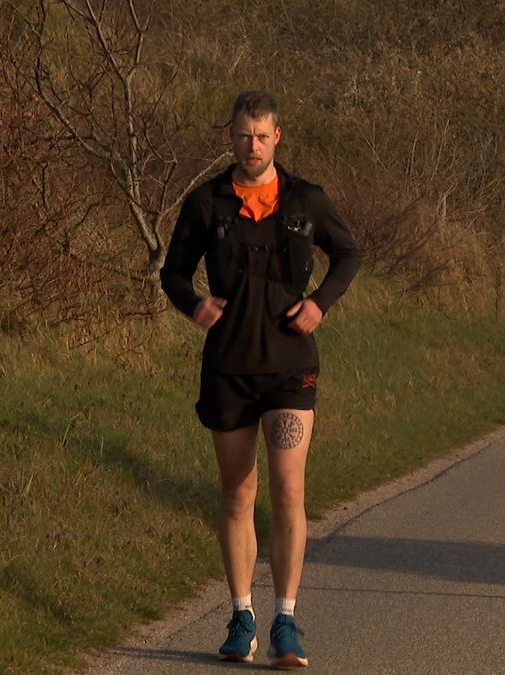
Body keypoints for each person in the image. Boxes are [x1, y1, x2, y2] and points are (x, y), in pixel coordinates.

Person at [160, 90, 362, 668]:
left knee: (288, 490)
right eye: (244, 135)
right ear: (231, 137)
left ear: (279, 137)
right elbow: (173, 272)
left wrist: (321, 303)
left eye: (262, 135)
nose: (253, 145)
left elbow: (348, 256)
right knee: (237, 492)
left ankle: (287, 621)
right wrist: (192, 305)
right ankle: (241, 614)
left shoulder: (307, 200)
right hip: (229, 367)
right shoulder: (205, 203)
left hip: (290, 366)